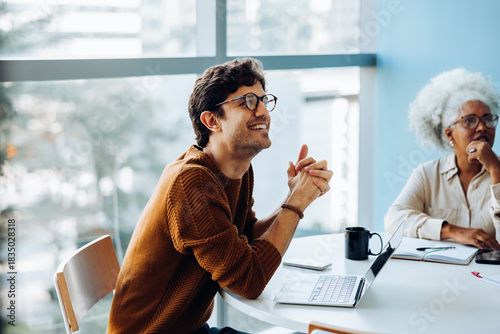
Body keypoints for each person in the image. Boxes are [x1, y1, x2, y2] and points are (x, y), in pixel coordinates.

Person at [107, 58, 333, 334]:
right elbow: (249, 282)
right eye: (248, 102)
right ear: (212, 120)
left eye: (264, 100)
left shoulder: (235, 171)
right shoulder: (192, 183)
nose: (263, 111)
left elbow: (246, 236)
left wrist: (295, 195)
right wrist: (296, 204)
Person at [385, 68, 500, 250]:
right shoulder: (428, 174)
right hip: (438, 273)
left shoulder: (498, 170)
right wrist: (452, 231)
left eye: (487, 119)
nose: (481, 128)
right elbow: (394, 219)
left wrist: (496, 171)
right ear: (449, 134)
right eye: (469, 120)